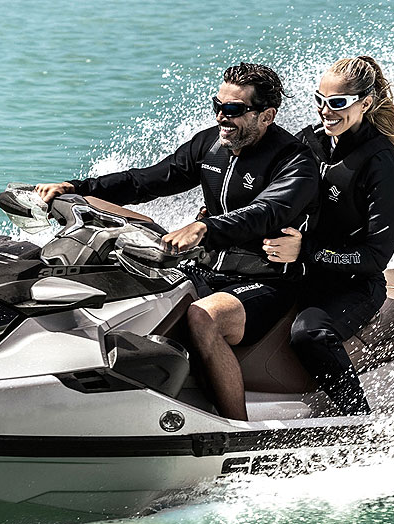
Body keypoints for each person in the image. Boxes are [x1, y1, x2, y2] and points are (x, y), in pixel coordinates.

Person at [33, 63, 318, 421]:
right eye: (217, 105)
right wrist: (77, 188)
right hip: (207, 270)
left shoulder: (294, 161)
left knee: (204, 317)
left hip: (266, 282)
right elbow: (147, 181)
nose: (221, 116)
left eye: (233, 109)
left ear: (266, 115)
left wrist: (204, 229)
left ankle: (235, 429)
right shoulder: (209, 144)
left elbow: (265, 213)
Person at [263, 56, 394, 416]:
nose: (325, 111)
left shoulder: (380, 161)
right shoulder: (308, 142)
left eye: (337, 103)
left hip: (352, 285)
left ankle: (357, 418)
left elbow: (376, 256)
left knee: (309, 334)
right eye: (320, 100)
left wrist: (306, 250)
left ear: (365, 103)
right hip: (296, 273)